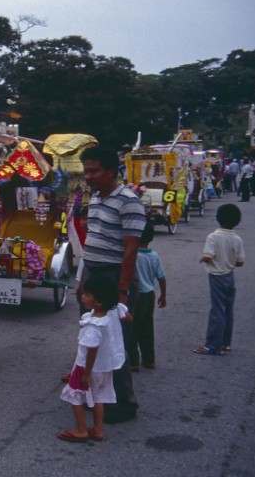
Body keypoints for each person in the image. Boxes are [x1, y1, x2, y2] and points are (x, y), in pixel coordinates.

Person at [77, 145, 146, 423]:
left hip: (113, 278)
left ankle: (124, 405)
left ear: (110, 171)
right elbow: (92, 241)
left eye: (93, 171)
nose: (88, 177)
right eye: (86, 171)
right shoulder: (94, 198)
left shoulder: (129, 201)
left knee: (115, 346)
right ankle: (97, 397)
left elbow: (130, 252)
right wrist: (81, 282)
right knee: (93, 341)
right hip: (93, 276)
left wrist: (122, 295)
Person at [58, 277, 130, 443]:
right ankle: (97, 429)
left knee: (74, 395)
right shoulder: (114, 310)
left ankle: (81, 429)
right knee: (99, 398)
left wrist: (86, 374)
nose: (82, 297)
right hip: (106, 366)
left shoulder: (93, 327)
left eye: (87, 295)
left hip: (86, 367)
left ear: (98, 302)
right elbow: (128, 317)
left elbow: (91, 350)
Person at [194, 204, 245, 356]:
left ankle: (212, 346)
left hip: (216, 276)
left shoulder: (213, 237)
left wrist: (202, 259)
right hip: (230, 275)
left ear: (217, 219)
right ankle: (225, 343)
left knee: (217, 310)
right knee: (228, 310)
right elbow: (240, 262)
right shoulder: (237, 238)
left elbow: (208, 256)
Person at [128, 222, 167, 371]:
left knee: (132, 329)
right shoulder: (154, 256)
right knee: (147, 328)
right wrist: (163, 296)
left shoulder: (132, 255)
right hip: (149, 295)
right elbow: (162, 278)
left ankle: (133, 362)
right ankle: (149, 359)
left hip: (135, 296)